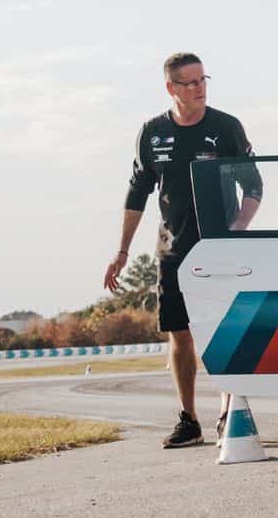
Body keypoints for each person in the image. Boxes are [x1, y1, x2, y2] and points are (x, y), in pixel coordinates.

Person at [105, 52, 261, 448]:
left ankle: (231, 412)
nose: (199, 88)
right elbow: (136, 193)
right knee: (180, 333)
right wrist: (121, 252)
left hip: (220, 249)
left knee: (227, 332)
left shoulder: (225, 127)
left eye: (203, 79)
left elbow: (254, 185)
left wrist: (238, 228)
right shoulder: (152, 132)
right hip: (173, 249)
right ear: (171, 88)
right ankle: (188, 419)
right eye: (189, 83)